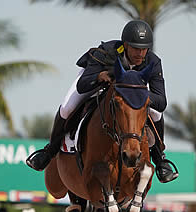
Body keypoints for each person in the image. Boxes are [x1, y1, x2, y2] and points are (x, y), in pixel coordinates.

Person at [26, 20, 178, 183]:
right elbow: (83, 84)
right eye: (135, 48)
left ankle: (160, 159)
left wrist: (137, 93)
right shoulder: (106, 52)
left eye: (144, 49)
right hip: (97, 84)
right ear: (125, 45)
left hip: (135, 93)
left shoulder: (153, 62)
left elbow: (161, 101)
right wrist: (99, 76)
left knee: (156, 113)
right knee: (66, 108)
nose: (140, 54)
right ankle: (49, 152)